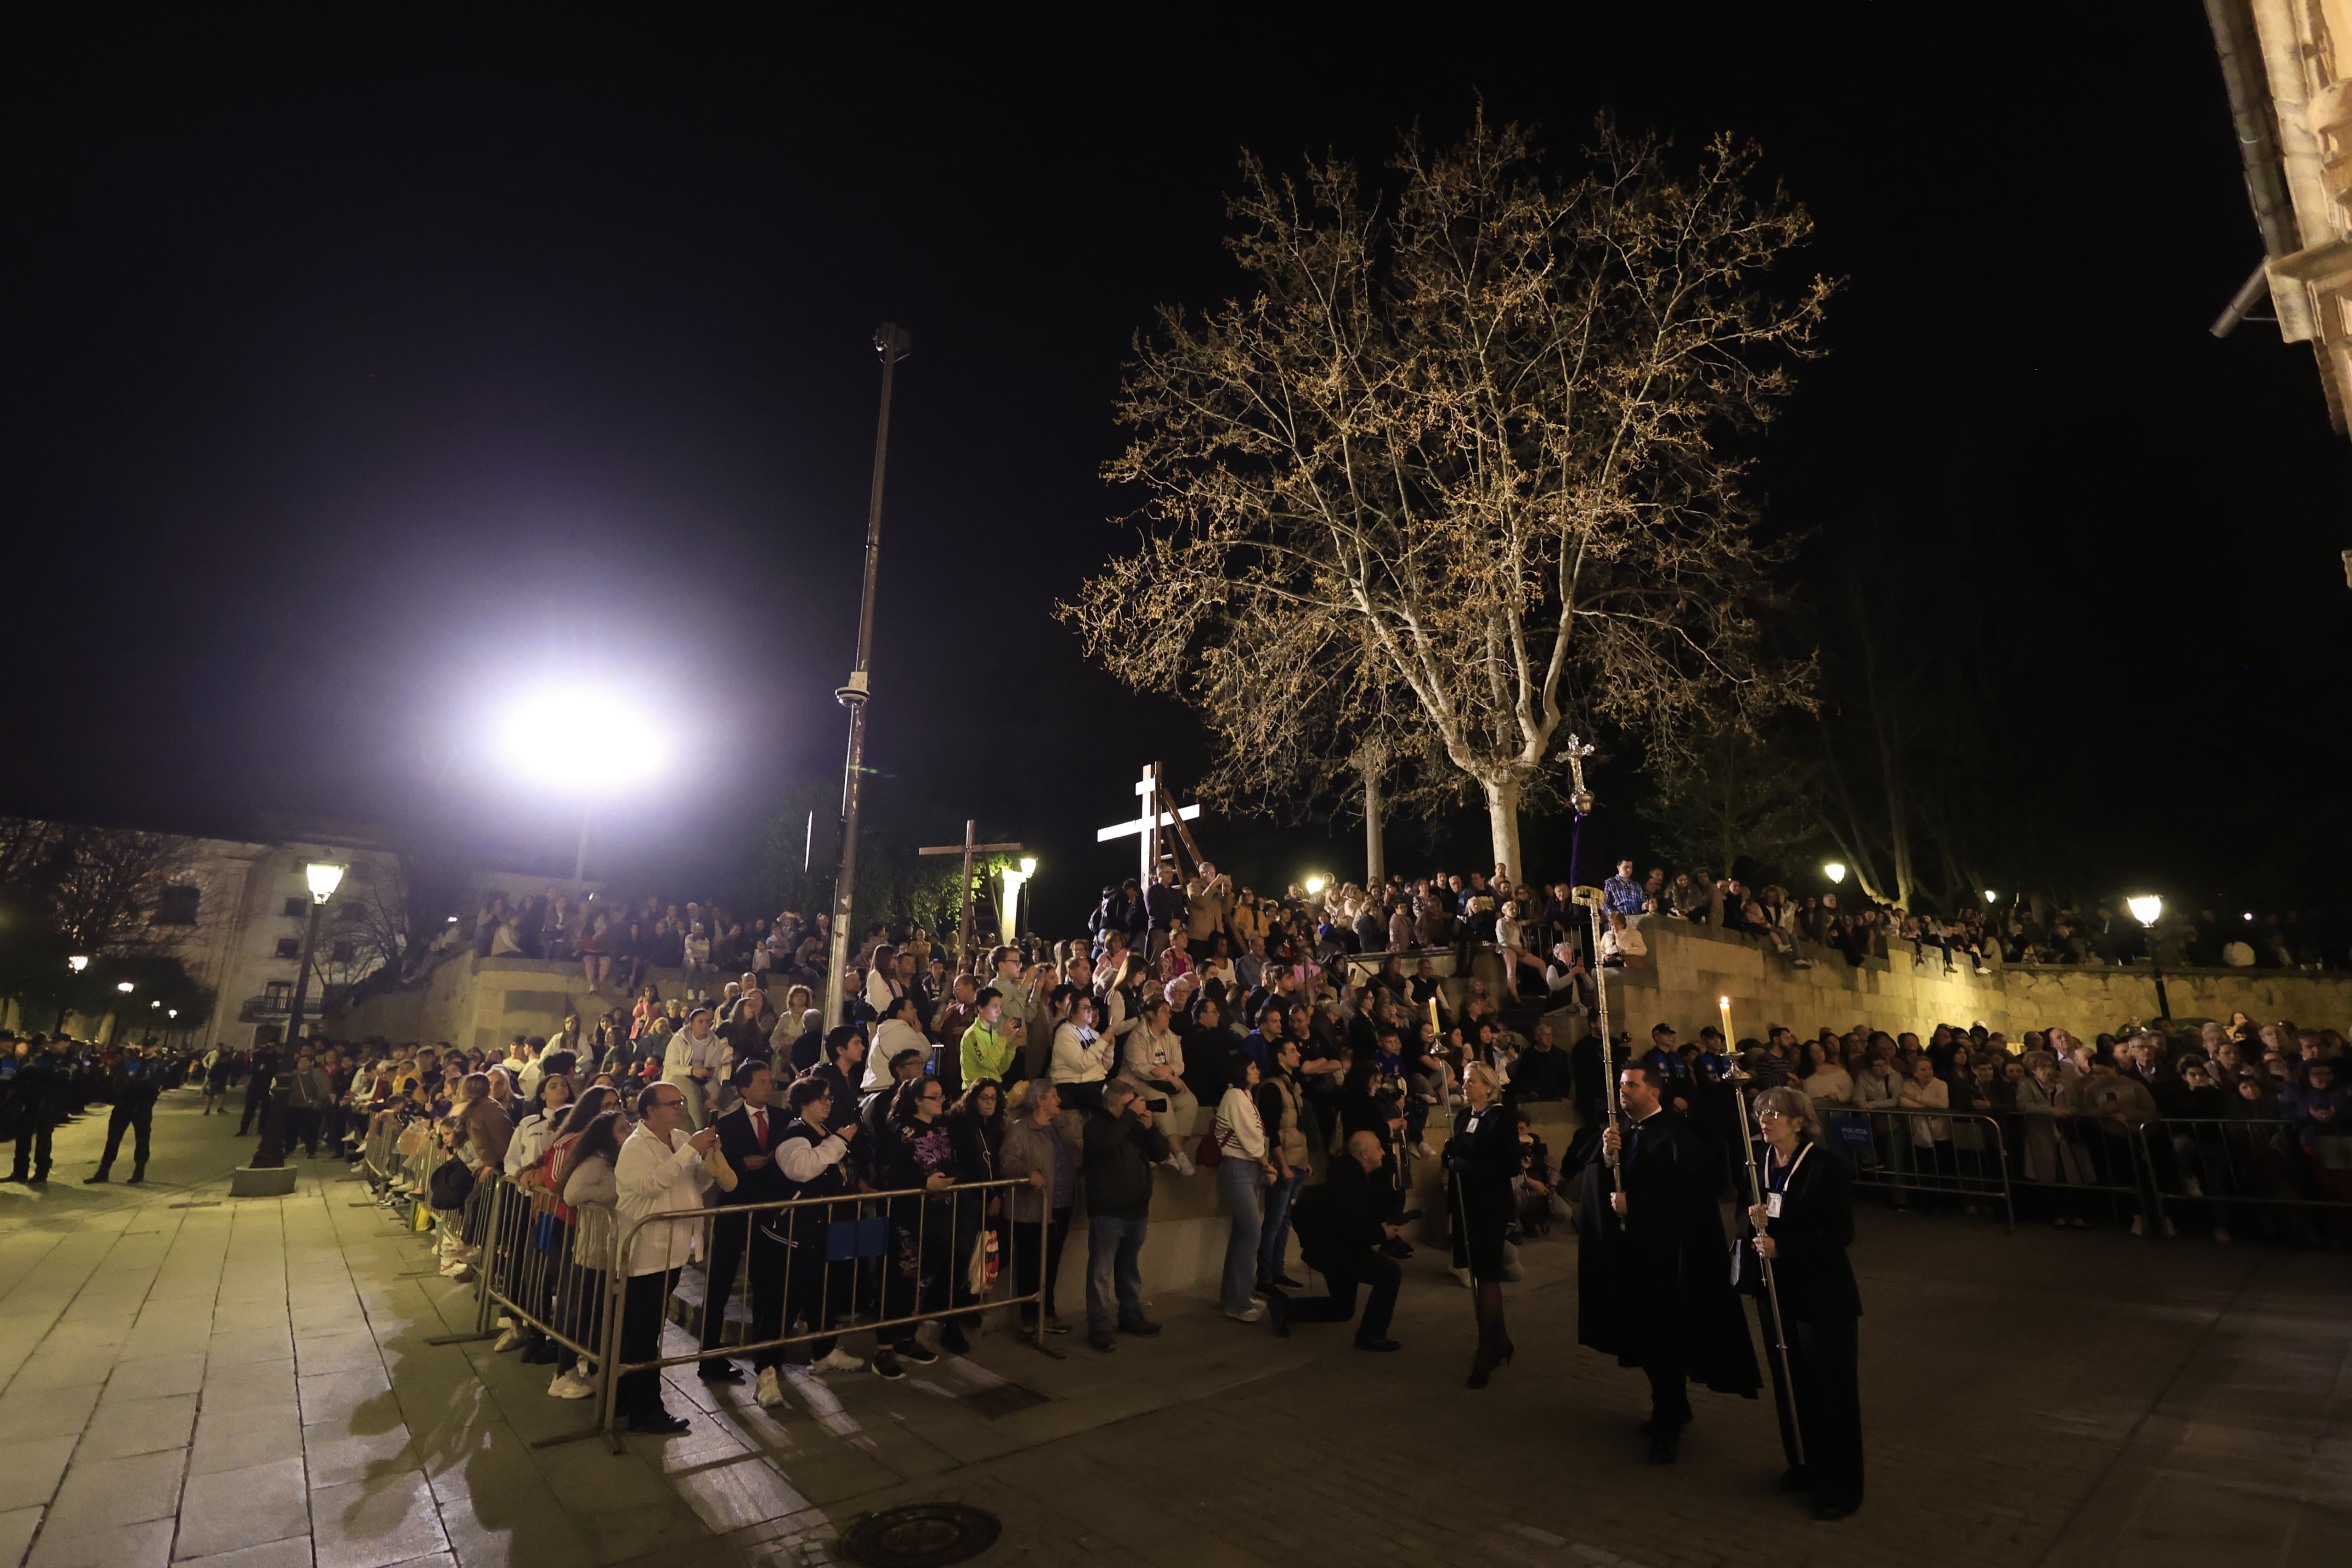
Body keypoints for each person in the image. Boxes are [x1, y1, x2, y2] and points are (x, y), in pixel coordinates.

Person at [1577, 1062, 1760, 1464]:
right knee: (1644, 1335)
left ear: (1653, 1093)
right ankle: (1670, 1407)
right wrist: (1609, 1156)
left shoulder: (1677, 1136)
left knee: (1665, 1337)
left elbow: (1688, 1201)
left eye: (1631, 1084)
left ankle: (1668, 1418)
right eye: (1620, 1084)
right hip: (1632, 1257)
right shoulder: (1622, 1133)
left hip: (1669, 1259)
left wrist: (1636, 1205)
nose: (1622, 1090)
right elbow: (1598, 1180)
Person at [1735, 1086, 1865, 1521]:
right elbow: (1743, 1216)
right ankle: (1806, 1464)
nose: (1765, 1119)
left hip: (1823, 1296)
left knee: (1831, 1390)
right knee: (1794, 1384)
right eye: (1761, 1112)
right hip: (1779, 1292)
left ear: (1799, 1121)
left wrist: (1783, 1248)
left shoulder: (1825, 1167)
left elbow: (1839, 1233)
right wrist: (1752, 1220)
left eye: (1774, 1113)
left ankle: (1841, 1488)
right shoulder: (1761, 1163)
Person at [613, 1081, 718, 1434]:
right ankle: (645, 1410)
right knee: (642, 1333)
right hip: (646, 1251)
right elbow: (652, 1184)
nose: (678, 1107)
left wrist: (707, 1165)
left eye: (681, 1102)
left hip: (672, 1249)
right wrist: (690, 1150)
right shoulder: (636, 1146)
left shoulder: (678, 1137)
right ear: (650, 1110)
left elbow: (689, 1184)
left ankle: (626, 1400)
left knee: (645, 1330)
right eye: (672, 1103)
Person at [769, 1076, 878, 1379]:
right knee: (790, 1299)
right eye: (822, 1099)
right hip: (802, 1230)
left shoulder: (827, 1131)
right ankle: (768, 1365)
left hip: (828, 1226)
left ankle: (825, 1351)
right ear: (804, 1102)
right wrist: (840, 1142)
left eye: (830, 1098)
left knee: (825, 1293)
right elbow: (802, 1169)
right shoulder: (796, 1133)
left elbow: (838, 1170)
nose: (828, 1104)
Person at [699, 1059, 791, 1403]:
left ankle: (767, 1355)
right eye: (763, 1081)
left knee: (767, 1282)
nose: (770, 1085)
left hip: (768, 1209)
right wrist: (742, 1164)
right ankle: (709, 1355)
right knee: (720, 1280)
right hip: (736, 1207)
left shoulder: (782, 1119)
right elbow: (715, 1164)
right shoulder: (726, 1124)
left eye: (770, 1079)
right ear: (745, 1089)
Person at [1274, 1130, 1403, 1351]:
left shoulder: (1350, 1174)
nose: (1383, 1153)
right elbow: (1356, 1226)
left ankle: (1285, 1309)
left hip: (1330, 1247)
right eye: (1378, 1148)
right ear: (1364, 1153)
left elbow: (1357, 1218)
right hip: (1336, 1251)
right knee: (1390, 1274)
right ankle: (1371, 1336)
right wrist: (1382, 1234)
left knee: (1342, 1308)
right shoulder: (1351, 1181)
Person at [1447, 1062, 1525, 1387]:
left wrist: (1470, 1164)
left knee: (1487, 1273)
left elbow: (1508, 1163)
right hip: (1465, 1201)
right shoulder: (1465, 1116)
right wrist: (1451, 1156)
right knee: (1478, 1272)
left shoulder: (1502, 1117)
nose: (1466, 1085)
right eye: (1465, 1080)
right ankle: (1501, 1340)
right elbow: (1456, 1150)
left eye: (1472, 1081)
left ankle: (1486, 1346)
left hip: (1489, 1204)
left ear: (1489, 1086)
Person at [1080, 1081, 1170, 1352]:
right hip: (1108, 1212)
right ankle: (1099, 1327)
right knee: (1101, 1273)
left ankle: (1131, 1316)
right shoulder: (1096, 1126)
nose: (1135, 1108)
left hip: (1137, 1211)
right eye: (1130, 1104)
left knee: (1129, 1269)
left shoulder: (1133, 1127)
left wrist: (1151, 1127)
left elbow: (1162, 1153)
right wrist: (1130, 1116)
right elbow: (1108, 1144)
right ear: (1114, 1103)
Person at [999, 1080, 1080, 1337]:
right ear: (1040, 1100)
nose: (1059, 1101)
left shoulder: (1059, 1128)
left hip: (1061, 1205)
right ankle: (1029, 1318)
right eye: (1054, 1096)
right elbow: (1008, 1161)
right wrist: (1028, 1172)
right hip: (1033, 1208)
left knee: (1052, 1263)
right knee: (1031, 1263)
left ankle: (1048, 1312)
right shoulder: (1021, 1130)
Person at [1211, 1057, 1276, 1324]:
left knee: (1242, 1233)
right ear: (1241, 1072)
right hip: (1239, 1167)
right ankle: (1237, 1303)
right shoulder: (1235, 1096)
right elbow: (1250, 1135)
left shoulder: (1245, 1095)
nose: (1257, 1071)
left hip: (1248, 1167)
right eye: (1252, 1068)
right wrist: (1267, 1164)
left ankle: (1234, 1295)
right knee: (1251, 1233)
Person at [85, 1045, 161, 1184]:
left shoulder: (157, 1066)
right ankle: (103, 1171)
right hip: (124, 1105)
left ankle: (139, 1170)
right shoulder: (130, 1064)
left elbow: (155, 1086)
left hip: (141, 1107)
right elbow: (118, 1081)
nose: (145, 1050)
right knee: (113, 1139)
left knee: (142, 1139)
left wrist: (142, 1095)